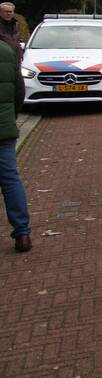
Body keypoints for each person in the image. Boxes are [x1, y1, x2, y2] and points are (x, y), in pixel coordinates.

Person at [0, 37, 31, 252]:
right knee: (10, 180)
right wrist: (10, 117)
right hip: (4, 128)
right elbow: (19, 91)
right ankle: (22, 234)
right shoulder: (7, 50)